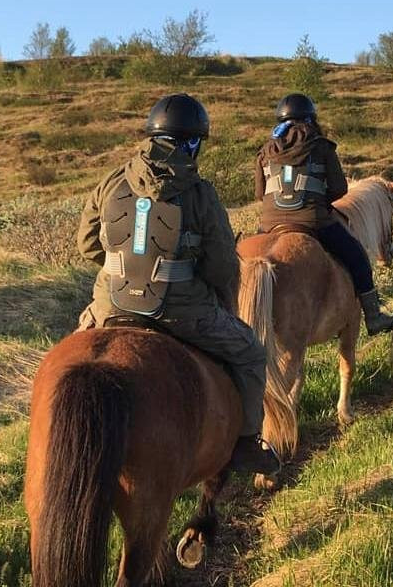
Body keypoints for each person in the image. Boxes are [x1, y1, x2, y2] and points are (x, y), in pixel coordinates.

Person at [76, 93, 281, 475]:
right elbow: (221, 268)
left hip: (112, 306)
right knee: (251, 352)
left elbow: (87, 244)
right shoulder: (201, 193)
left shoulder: (110, 181)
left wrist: (126, 269)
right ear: (191, 142)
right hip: (181, 313)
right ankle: (247, 444)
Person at [255, 93, 393, 335]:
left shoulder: (265, 151)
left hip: (270, 224)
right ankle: (374, 316)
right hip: (314, 222)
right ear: (311, 119)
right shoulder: (321, 145)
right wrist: (318, 202)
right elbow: (339, 189)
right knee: (357, 257)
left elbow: (260, 193)